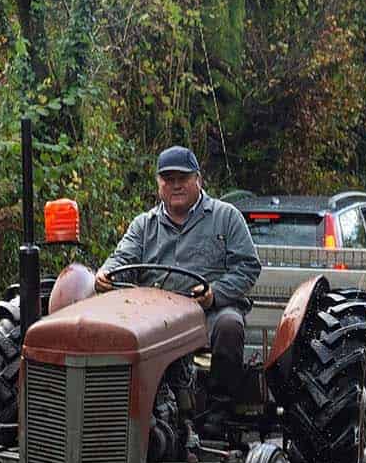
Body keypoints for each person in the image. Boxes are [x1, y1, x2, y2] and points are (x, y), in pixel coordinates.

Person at [97, 145, 262, 401]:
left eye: (183, 178)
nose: (176, 185)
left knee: (230, 326)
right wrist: (107, 273)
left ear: (198, 179)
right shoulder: (144, 225)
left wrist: (214, 293)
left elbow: (248, 266)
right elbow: (122, 259)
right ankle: (122, 403)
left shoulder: (226, 217)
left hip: (208, 311)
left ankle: (219, 407)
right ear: (158, 184)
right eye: (168, 179)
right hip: (152, 315)